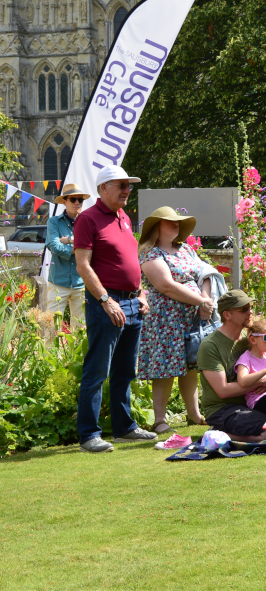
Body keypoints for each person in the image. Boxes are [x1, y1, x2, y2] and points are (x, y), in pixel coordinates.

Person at [73, 165, 157, 453]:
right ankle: (88, 435)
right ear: (103, 188)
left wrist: (142, 292)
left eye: (128, 186)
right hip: (106, 305)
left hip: (133, 302)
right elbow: (83, 265)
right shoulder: (88, 218)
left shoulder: (123, 216)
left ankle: (124, 428)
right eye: (120, 185)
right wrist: (105, 300)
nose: (126, 191)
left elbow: (130, 261)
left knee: (125, 371)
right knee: (97, 371)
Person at [137, 206, 215, 433]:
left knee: (191, 365)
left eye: (178, 222)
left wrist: (206, 299)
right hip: (165, 321)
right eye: (170, 221)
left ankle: (194, 414)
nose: (176, 224)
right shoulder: (150, 253)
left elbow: (205, 273)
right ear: (156, 227)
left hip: (191, 317)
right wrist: (200, 302)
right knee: (164, 367)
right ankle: (160, 420)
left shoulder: (186, 250)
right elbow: (165, 286)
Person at [197, 289, 266, 441]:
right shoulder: (210, 346)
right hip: (225, 408)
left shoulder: (250, 339)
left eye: (250, 307)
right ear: (227, 315)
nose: (250, 312)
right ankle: (220, 434)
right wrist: (264, 381)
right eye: (244, 309)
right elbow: (223, 391)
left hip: (256, 402)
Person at [45, 183, 89, 330]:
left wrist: (69, 240)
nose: (77, 203)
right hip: (58, 281)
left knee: (81, 327)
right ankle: (49, 354)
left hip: (80, 281)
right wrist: (80, 246)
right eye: (73, 199)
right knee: (51, 326)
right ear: (64, 201)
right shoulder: (54, 222)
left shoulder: (88, 222)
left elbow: (92, 247)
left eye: (80, 200)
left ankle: (77, 354)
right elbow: (56, 247)